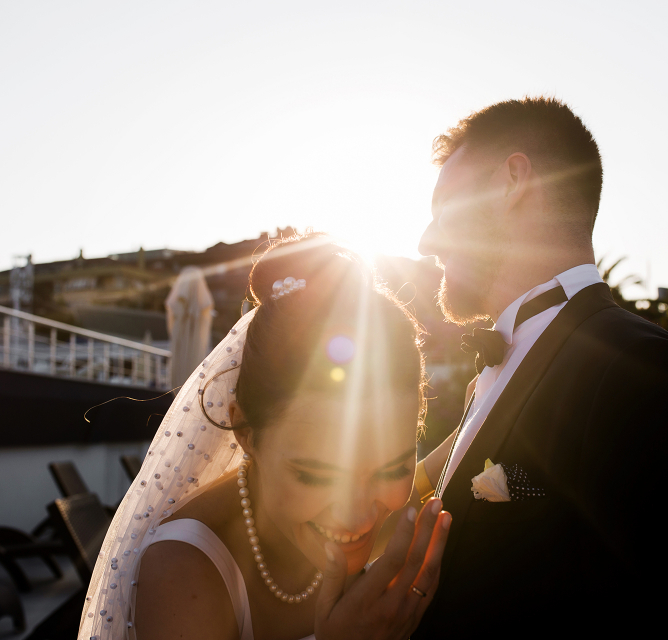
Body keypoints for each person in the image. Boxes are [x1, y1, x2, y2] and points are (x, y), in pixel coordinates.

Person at [411, 98, 668, 638]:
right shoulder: (493, 375)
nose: (426, 241)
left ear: (512, 181)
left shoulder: (648, 373)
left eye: (445, 207)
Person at [78, 234, 451, 640]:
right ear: (245, 432)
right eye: (318, 476)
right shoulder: (182, 574)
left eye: (393, 469)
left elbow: (436, 470)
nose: (359, 516)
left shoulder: (385, 510)